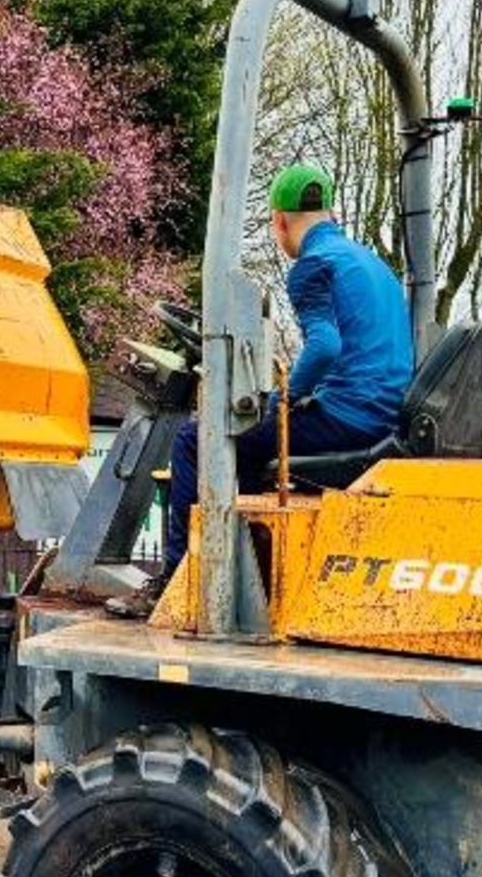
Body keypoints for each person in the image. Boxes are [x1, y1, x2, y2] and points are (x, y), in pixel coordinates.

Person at [150, 161, 412, 596]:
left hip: (348, 417)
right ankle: (258, 575)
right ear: (332, 215)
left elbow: (325, 345)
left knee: (197, 439)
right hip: (382, 414)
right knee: (253, 446)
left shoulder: (312, 267)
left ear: (280, 221)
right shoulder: (374, 265)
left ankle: (178, 583)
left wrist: (283, 400)